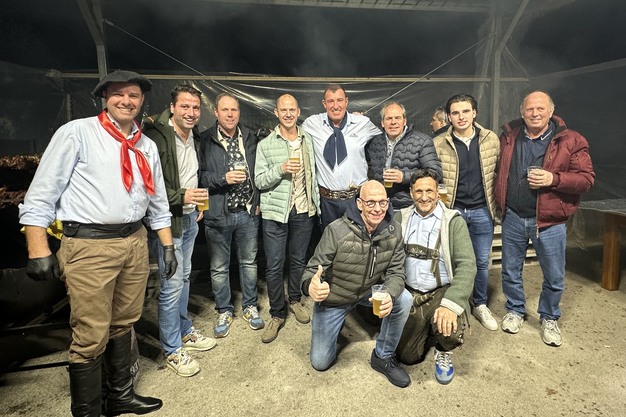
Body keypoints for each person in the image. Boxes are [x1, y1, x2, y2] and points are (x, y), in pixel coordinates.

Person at [18, 70, 174, 416]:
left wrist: (167, 245)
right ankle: (87, 411)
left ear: (142, 101)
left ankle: (120, 396)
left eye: (133, 95)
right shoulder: (77, 133)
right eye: (119, 94)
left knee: (124, 321)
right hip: (90, 245)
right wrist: (38, 247)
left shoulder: (145, 145)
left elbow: (157, 200)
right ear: (105, 97)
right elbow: (41, 194)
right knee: (90, 332)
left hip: (134, 240)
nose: (126, 101)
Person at [495, 90, 594, 347]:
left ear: (551, 111)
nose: (535, 113)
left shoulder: (570, 140)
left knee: (554, 275)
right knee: (510, 270)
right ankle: (515, 310)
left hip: (549, 221)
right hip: (513, 216)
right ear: (522, 112)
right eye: (529, 109)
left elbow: (586, 179)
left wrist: (554, 178)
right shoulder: (510, 136)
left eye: (540, 108)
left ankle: (549, 317)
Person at [300, 180, 413, 388]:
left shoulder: (394, 230)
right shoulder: (336, 230)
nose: (378, 209)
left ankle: (383, 356)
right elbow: (311, 270)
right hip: (335, 296)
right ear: (359, 204)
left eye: (382, 202)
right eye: (371, 203)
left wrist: (389, 293)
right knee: (320, 362)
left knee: (404, 299)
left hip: (368, 292)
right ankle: (332, 323)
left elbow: (397, 272)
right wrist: (311, 286)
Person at [143, 85, 217, 377]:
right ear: (172, 107)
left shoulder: (193, 136)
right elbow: (151, 185)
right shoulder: (157, 137)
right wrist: (182, 196)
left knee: (184, 278)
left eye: (196, 107)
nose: (191, 112)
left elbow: (192, 176)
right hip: (167, 222)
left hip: (189, 219)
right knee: (171, 285)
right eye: (185, 106)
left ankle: (184, 330)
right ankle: (172, 348)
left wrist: (199, 205)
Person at [395, 169, 476, 385]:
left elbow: (467, 266)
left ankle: (442, 349)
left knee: (450, 331)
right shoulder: (400, 218)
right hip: (410, 293)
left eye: (429, 191)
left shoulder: (452, 221)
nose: (424, 197)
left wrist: (451, 304)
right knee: (407, 357)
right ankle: (428, 327)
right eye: (418, 191)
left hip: (441, 291)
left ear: (438, 192)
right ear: (411, 192)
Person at [254, 94, 320, 343]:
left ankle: (294, 300)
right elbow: (260, 181)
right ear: (276, 113)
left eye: (292, 109)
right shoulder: (266, 144)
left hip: (303, 209)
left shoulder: (308, 140)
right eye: (284, 110)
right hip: (275, 213)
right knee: (274, 264)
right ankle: (277, 313)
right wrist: (280, 169)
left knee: (298, 259)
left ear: (298, 112)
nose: (289, 114)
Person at [199, 92, 264, 338]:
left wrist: (257, 200)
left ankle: (250, 306)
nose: (229, 114)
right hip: (218, 214)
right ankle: (224, 310)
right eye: (225, 110)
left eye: (234, 110)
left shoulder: (249, 137)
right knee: (219, 267)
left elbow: (259, 171)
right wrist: (223, 178)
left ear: (239, 113)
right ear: (215, 112)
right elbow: (199, 177)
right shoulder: (205, 139)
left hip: (247, 212)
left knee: (249, 263)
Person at [433, 93, 500, 331]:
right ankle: (455, 305)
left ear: (474, 113)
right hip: (454, 212)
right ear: (449, 117)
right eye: (455, 113)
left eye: (465, 111)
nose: (461, 117)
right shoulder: (439, 143)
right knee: (453, 261)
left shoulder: (491, 139)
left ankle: (480, 304)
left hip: (482, 210)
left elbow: (500, 172)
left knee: (481, 261)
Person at [302, 84, 381, 228]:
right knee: (329, 240)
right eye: (330, 101)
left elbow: (385, 140)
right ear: (324, 104)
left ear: (346, 102)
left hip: (356, 199)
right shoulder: (312, 124)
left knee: (358, 240)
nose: (335, 106)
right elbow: (292, 135)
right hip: (327, 202)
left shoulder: (362, 123)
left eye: (339, 100)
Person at [365, 101, 442, 210]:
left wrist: (404, 177)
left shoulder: (422, 141)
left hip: (410, 207)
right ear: (382, 123)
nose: (393, 122)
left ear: (404, 121)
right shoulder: (374, 143)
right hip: (379, 207)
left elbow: (435, 173)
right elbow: (368, 171)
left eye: (397, 118)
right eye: (389, 118)